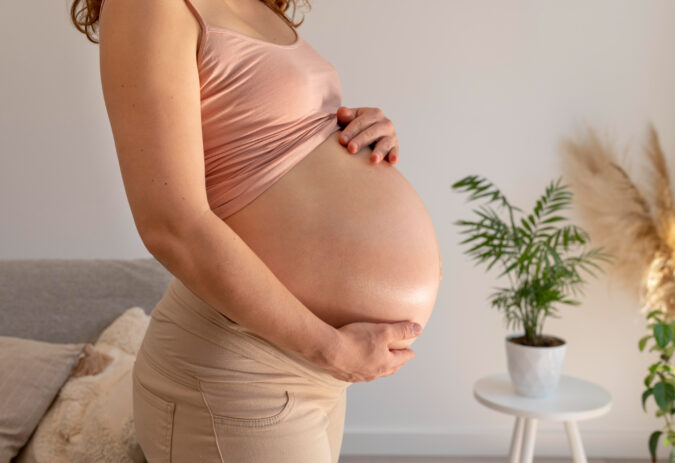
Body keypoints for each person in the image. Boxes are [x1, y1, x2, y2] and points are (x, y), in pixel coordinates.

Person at [72, 0, 442, 461]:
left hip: (309, 374)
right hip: (239, 374)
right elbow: (170, 225)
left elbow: (262, 136)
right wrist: (329, 348)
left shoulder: (255, 4)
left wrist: (361, 131)